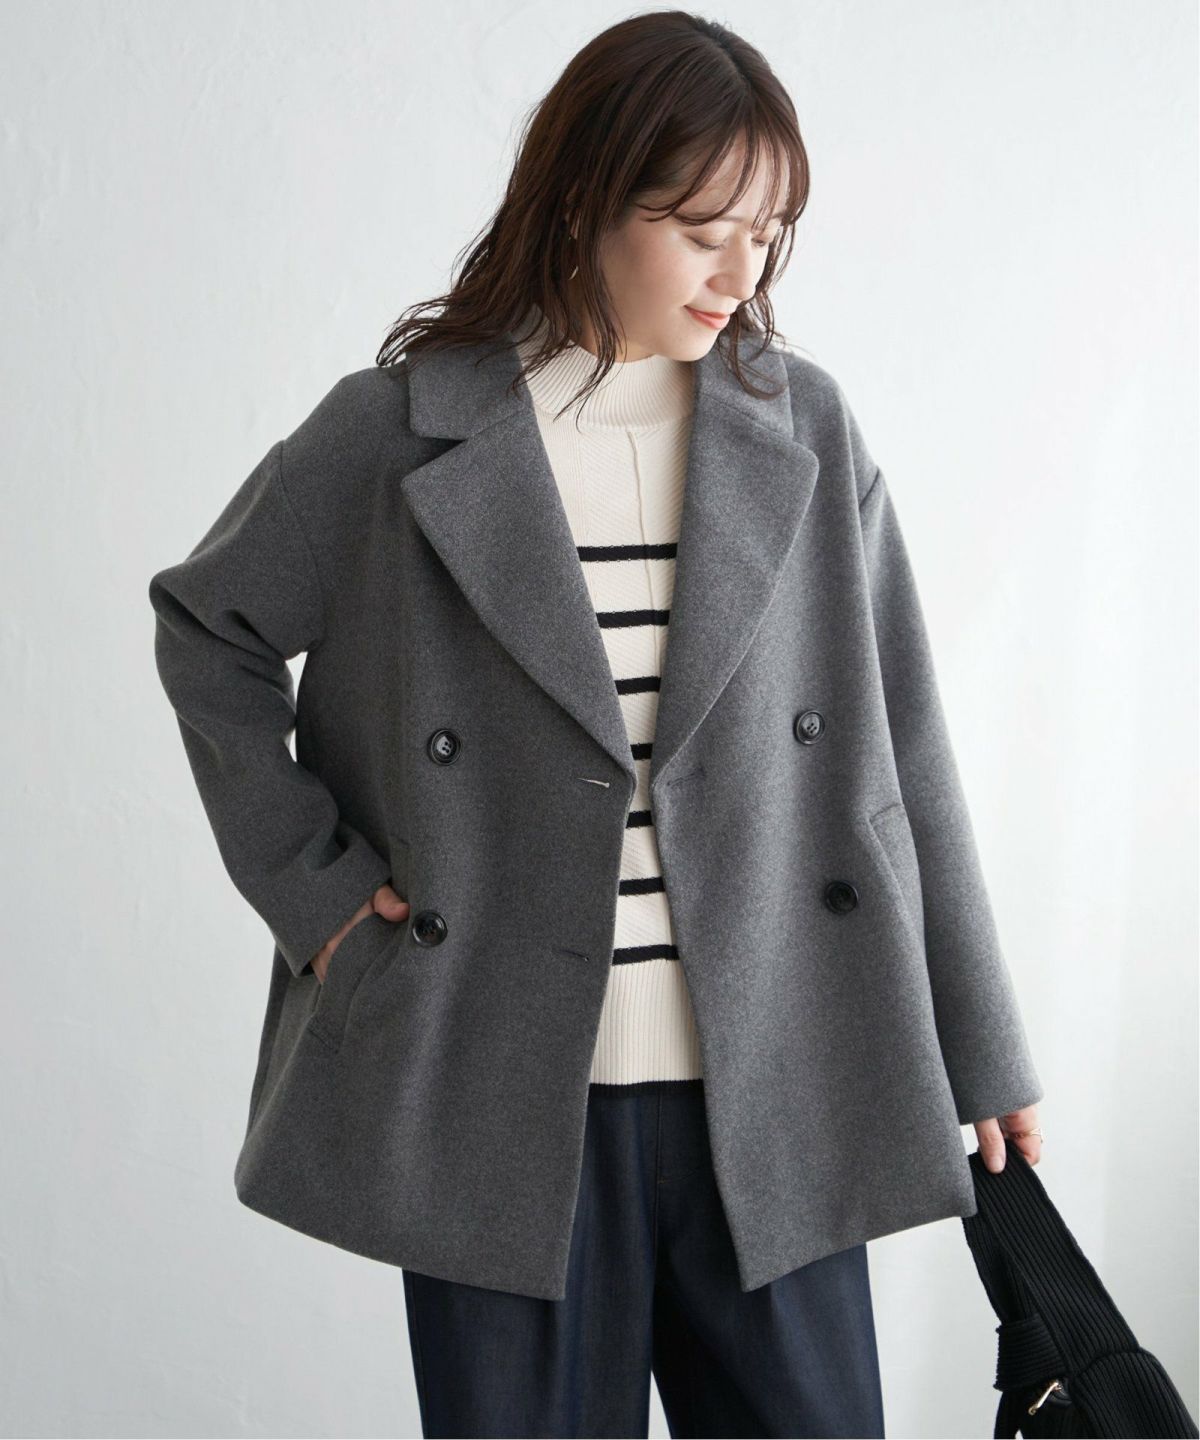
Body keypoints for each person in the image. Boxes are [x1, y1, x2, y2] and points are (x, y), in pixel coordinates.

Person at [149, 11, 1045, 1438]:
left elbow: (904, 742)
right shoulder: (396, 433)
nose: (742, 272)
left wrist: (979, 1040)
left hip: (773, 1081)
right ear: (582, 202)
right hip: (503, 1096)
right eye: (701, 230)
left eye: (767, 232)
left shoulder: (801, 428)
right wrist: (319, 900)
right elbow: (210, 628)